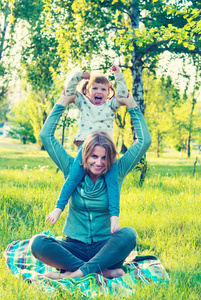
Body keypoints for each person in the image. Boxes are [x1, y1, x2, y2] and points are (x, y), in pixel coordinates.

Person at [30, 91, 151, 280]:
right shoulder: (71, 167)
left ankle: (74, 274)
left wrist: (132, 105)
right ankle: (99, 272)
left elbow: (144, 141)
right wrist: (64, 100)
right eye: (94, 156)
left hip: (105, 250)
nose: (99, 162)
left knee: (129, 234)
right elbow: (46, 136)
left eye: (104, 157)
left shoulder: (116, 172)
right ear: (85, 155)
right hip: (73, 248)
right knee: (37, 243)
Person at [46, 65, 128, 234]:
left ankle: (114, 217)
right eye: (95, 88)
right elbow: (68, 92)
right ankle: (58, 208)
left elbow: (122, 95)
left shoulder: (111, 105)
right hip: (86, 149)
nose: (99, 91)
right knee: (73, 178)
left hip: (107, 152)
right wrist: (79, 76)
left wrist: (118, 76)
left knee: (112, 183)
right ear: (88, 90)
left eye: (104, 89)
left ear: (108, 92)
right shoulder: (83, 102)